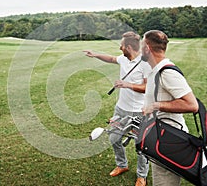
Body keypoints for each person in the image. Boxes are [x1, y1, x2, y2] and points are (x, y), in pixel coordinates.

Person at [84, 31, 151, 186]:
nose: (120, 48)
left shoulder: (145, 64)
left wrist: (127, 84)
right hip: (120, 109)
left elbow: (147, 87)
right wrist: (95, 55)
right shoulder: (124, 58)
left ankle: (142, 175)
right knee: (114, 138)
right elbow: (112, 58)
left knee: (140, 145)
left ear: (128, 47)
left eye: (121, 45)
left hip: (137, 112)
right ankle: (122, 165)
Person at [140, 30, 199, 186]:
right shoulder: (155, 70)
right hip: (160, 136)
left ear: (147, 47)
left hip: (170, 141)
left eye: (141, 44)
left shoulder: (167, 72)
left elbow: (192, 105)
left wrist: (156, 105)